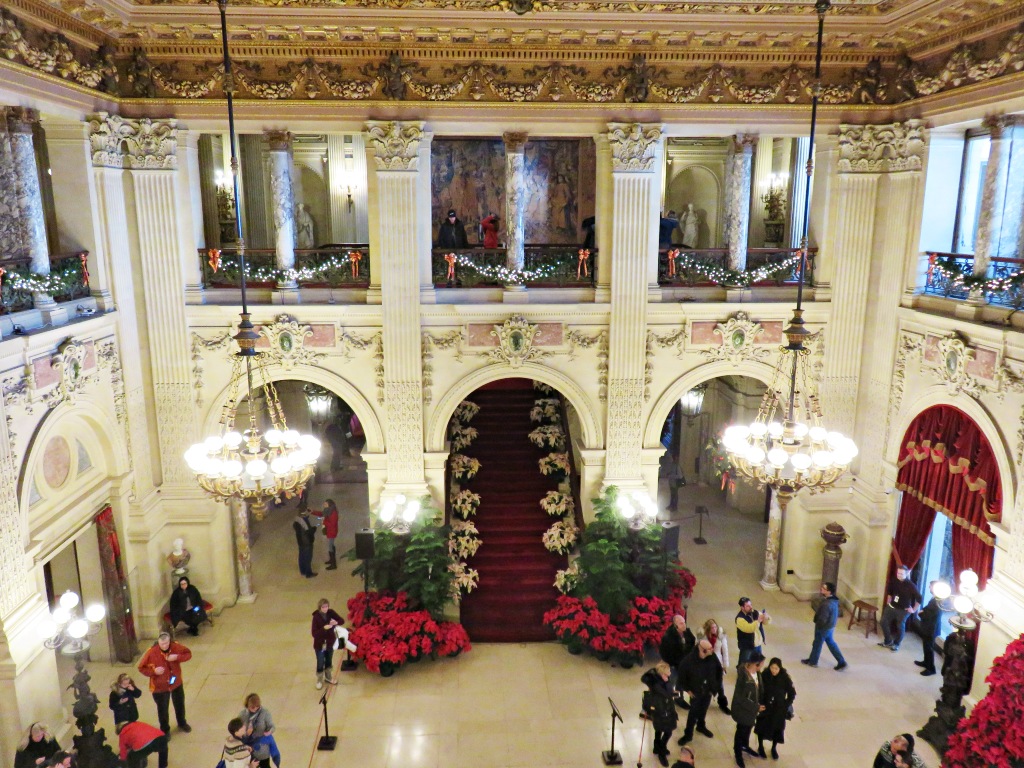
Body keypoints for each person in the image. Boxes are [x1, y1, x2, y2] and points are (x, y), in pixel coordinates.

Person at [137, 631, 192, 736]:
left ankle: (182, 722)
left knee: (180, 704)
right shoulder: (151, 652)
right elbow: (141, 667)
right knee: (162, 709)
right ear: (158, 642)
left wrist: (176, 657)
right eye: (162, 644)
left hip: (176, 682)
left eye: (167, 643)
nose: (165, 646)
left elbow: (188, 654)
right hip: (160, 687)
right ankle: (165, 730)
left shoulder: (175, 646)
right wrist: (154, 672)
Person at [676, 639, 722, 746]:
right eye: (710, 649)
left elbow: (718, 671)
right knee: (693, 713)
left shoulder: (712, 657)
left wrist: (715, 687)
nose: (712, 650)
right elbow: (681, 678)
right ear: (703, 650)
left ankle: (701, 726)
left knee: (704, 710)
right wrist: (688, 690)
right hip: (696, 692)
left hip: (708, 691)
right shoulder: (688, 661)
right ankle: (688, 734)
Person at [753, 657, 795, 760]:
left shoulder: (785, 678)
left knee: (777, 729)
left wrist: (785, 704)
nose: (774, 670)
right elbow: (758, 690)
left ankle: (773, 748)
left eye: (776, 668)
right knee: (762, 727)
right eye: (772, 667)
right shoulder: (764, 675)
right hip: (766, 707)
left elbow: (792, 693)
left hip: (778, 709)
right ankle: (761, 747)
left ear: (780, 668)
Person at [800, 582, 848, 670]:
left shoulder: (827, 604)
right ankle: (841, 662)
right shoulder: (833, 600)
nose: (821, 589)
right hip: (830, 626)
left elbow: (822, 619)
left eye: (824, 588)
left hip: (823, 627)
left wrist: (818, 625)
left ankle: (813, 662)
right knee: (829, 643)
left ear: (829, 592)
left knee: (817, 643)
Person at [641, 661, 678, 767]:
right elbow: (667, 694)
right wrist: (667, 684)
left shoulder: (659, 682)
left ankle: (657, 747)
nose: (670, 673)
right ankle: (661, 751)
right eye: (668, 672)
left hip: (661, 710)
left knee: (659, 730)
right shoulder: (659, 685)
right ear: (662, 675)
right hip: (661, 711)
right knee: (668, 732)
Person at [730, 652, 765, 768]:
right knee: (741, 730)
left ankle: (745, 745)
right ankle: (738, 752)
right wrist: (756, 707)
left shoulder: (757, 674)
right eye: (761, 664)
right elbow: (740, 698)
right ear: (756, 664)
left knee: (748, 728)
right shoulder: (743, 678)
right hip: (743, 710)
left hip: (751, 710)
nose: (763, 666)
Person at [880, 564, 922, 652]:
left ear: (906, 574)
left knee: (900, 626)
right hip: (892, 606)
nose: (899, 575)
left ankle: (896, 643)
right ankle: (888, 641)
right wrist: (889, 600)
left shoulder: (911, 585)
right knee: (883, 621)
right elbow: (890, 591)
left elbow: (919, 598)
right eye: (898, 573)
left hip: (904, 610)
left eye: (901, 574)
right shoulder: (894, 580)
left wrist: (913, 610)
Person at [659, 614, 696, 706]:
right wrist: (673, 663)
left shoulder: (686, 632)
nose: (684, 625)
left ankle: (679, 699)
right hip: (674, 664)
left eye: (684, 622)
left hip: (683, 663)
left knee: (680, 682)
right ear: (676, 626)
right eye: (681, 623)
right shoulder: (668, 637)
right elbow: (665, 653)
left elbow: (692, 641)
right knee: (670, 682)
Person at [696, 619, 730, 713]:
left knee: (720, 684)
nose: (714, 629)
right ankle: (700, 702)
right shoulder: (702, 637)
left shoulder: (721, 637)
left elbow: (725, 651)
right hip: (706, 662)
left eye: (715, 627)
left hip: (718, 662)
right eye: (712, 628)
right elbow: (697, 649)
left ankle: (723, 703)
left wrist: (725, 665)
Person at [239, 693, 280, 768]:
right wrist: (247, 733)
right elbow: (238, 731)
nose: (255, 709)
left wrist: (269, 732)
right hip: (249, 750)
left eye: (257, 707)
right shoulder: (242, 715)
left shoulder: (265, 713)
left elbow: (272, 726)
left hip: (262, 749)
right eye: (252, 707)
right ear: (247, 705)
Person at [312, 597, 345, 689]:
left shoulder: (331, 612)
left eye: (326, 607)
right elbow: (314, 633)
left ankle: (328, 677)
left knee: (329, 660)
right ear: (319, 608)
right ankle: (319, 679)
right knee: (320, 661)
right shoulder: (316, 617)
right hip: (320, 645)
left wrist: (336, 622)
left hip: (330, 643)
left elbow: (342, 620)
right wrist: (323, 629)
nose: (325, 609)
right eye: (323, 607)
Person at [916, 582, 942, 676]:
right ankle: (926, 662)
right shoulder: (934, 599)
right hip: (928, 627)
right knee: (926, 647)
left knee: (929, 648)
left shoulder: (937, 601)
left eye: (930, 586)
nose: (929, 588)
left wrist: (920, 613)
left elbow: (928, 614)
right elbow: (927, 609)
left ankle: (931, 668)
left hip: (931, 628)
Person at [735, 598, 769, 666]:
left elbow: (765, 622)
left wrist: (766, 617)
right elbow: (749, 628)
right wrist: (758, 621)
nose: (751, 607)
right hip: (747, 645)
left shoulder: (754, 612)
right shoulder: (740, 619)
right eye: (747, 606)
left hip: (757, 644)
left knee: (758, 663)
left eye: (751, 605)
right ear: (742, 607)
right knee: (744, 664)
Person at [293, 508, 318, 578]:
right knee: (308, 558)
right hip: (307, 542)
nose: (308, 513)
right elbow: (308, 532)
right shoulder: (304, 521)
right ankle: (308, 573)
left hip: (300, 542)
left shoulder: (297, 520)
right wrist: (314, 529)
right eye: (307, 512)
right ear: (304, 513)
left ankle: (303, 571)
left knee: (301, 556)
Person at [316, 499, 340, 571]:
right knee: (331, 546)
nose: (324, 505)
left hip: (332, 532)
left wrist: (324, 521)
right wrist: (312, 512)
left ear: (329, 505)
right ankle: (331, 560)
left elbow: (332, 524)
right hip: (330, 531)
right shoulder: (328, 510)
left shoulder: (333, 513)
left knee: (330, 547)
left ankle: (333, 564)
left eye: (325, 504)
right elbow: (321, 514)